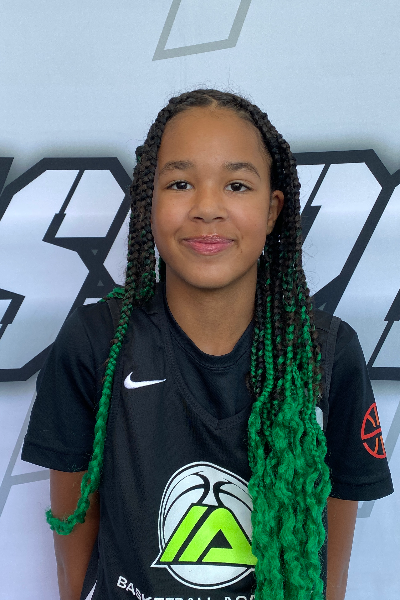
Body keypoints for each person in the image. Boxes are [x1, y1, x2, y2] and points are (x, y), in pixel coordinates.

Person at [22, 89, 393, 600]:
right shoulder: (96, 342)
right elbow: (73, 550)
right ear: (149, 202)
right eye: (180, 183)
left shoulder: (325, 352)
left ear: (272, 209)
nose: (207, 208)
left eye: (237, 185)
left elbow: (329, 565)